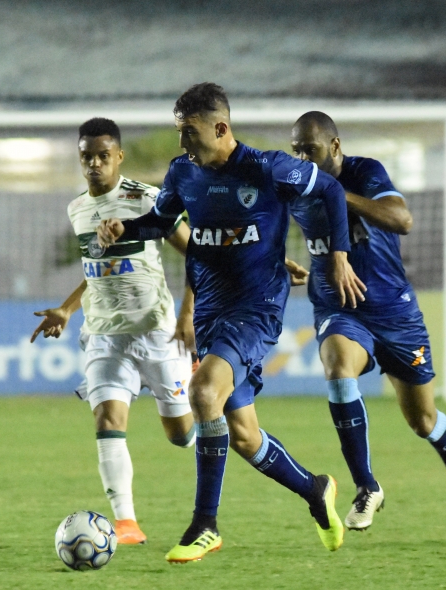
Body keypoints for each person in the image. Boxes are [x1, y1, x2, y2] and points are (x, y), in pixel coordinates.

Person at [97, 83, 364, 563]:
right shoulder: (183, 172)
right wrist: (126, 229)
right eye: (179, 133)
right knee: (242, 435)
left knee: (202, 394)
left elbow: (328, 188)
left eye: (189, 132)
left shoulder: (266, 168)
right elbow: (161, 222)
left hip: (257, 307)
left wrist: (339, 255)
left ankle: (205, 524)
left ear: (220, 128)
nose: (182, 143)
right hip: (213, 310)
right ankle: (315, 489)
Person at [289, 111, 446, 530]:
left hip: (394, 312)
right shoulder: (291, 185)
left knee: (422, 421)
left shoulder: (365, 172)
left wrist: (336, 194)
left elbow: (402, 220)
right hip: (339, 308)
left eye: (312, 149)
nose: (303, 158)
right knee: (339, 370)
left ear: (335, 147)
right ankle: (366, 487)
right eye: (297, 150)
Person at [31, 117, 196, 545]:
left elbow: (198, 254)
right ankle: (126, 522)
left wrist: (188, 315)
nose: (95, 164)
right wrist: (68, 309)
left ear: (118, 157)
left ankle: (202, 413)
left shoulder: (149, 200)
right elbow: (95, 268)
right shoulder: (77, 209)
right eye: (87, 156)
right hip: (105, 334)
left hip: (159, 331)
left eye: (104, 156)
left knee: (180, 436)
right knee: (107, 417)